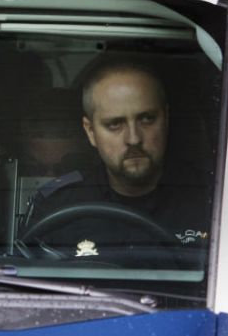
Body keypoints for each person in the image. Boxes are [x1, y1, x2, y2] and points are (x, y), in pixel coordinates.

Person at [21, 57, 212, 259]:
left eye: (147, 119)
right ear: (90, 132)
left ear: (166, 119)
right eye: (114, 124)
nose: (133, 138)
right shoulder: (57, 207)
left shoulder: (212, 200)